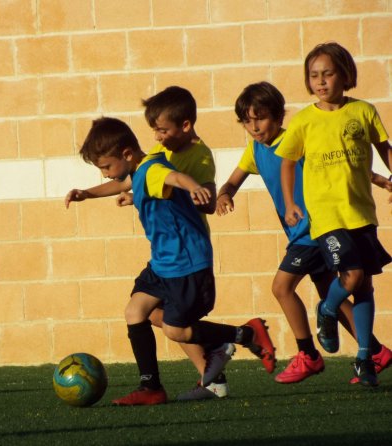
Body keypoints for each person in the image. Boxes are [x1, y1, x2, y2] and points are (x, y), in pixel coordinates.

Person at [77, 116, 275, 405]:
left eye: (106, 167)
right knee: (136, 312)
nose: (105, 175)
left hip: (185, 264)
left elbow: (174, 178)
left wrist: (193, 186)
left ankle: (243, 334)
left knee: (174, 329)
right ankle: (151, 388)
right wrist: (87, 194)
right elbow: (126, 183)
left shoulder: (154, 169)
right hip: (162, 263)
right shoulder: (142, 169)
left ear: (127, 154)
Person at [217, 81, 392, 385]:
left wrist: (378, 179)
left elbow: (342, 166)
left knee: (282, 287)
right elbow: (233, 180)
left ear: (279, 116)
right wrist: (225, 193)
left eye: (261, 118)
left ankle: (307, 354)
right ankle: (375, 352)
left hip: (314, 230)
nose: (254, 126)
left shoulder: (297, 139)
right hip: (300, 232)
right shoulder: (255, 150)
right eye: (247, 120)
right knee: (330, 294)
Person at [66, 86, 230, 401]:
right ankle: (180, 382)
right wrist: (98, 194)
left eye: (162, 130)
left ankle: (228, 346)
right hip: (164, 257)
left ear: (184, 126)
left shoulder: (198, 156)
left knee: (173, 324)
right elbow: (135, 179)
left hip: (184, 254)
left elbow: (187, 189)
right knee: (144, 313)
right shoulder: (158, 154)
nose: (157, 136)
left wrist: (194, 189)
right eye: (154, 130)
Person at [276, 42, 392, 387]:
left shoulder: (364, 112)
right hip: (327, 217)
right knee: (352, 276)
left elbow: (384, 147)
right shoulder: (304, 121)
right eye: (314, 75)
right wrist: (289, 203)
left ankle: (364, 361)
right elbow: (288, 161)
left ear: (345, 74)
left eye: (328, 73)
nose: (321, 81)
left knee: (365, 287)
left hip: (361, 213)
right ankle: (327, 310)